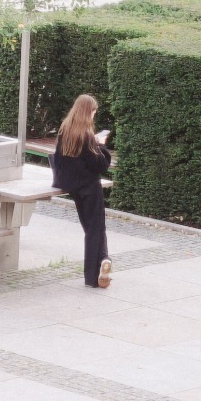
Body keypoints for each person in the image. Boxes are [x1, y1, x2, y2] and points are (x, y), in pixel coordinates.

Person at [50, 94, 111, 289]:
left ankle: (104, 259)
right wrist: (101, 146)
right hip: (89, 187)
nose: (94, 115)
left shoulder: (65, 129)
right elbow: (99, 165)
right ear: (88, 112)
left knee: (90, 228)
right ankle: (93, 275)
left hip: (71, 186)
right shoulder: (86, 136)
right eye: (94, 112)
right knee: (96, 228)